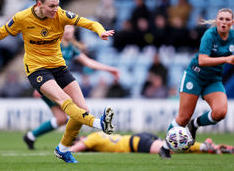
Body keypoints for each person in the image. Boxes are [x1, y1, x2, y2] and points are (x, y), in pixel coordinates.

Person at [0, 0, 115, 163]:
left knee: (83, 110)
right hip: (37, 70)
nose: (55, 9)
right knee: (64, 101)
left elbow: (89, 22)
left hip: (58, 67)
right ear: (39, 4)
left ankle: (63, 149)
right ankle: (99, 124)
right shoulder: (22, 18)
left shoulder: (61, 15)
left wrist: (100, 31)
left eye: (57, 5)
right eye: (51, 6)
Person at [23, 24, 120, 150]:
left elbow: (88, 62)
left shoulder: (72, 47)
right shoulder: (55, 44)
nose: (68, 30)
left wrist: (110, 69)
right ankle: (74, 140)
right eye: (66, 28)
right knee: (77, 109)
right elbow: (40, 64)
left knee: (62, 118)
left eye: (70, 28)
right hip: (48, 84)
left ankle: (31, 136)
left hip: (59, 84)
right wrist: (39, 87)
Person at [159, 8, 234, 159]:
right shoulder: (209, 35)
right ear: (216, 20)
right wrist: (226, 59)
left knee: (221, 112)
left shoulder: (233, 37)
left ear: (232, 22)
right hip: (195, 76)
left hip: (213, 80)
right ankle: (165, 147)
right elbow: (202, 60)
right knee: (183, 118)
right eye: (221, 19)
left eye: (227, 19)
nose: (224, 22)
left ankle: (195, 125)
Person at [70, 131, 234, 155]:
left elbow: (77, 148)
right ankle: (207, 147)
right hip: (138, 138)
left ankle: (206, 147)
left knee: (169, 149)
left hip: (135, 143)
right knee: (172, 147)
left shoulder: (90, 139)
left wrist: (67, 147)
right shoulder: (97, 134)